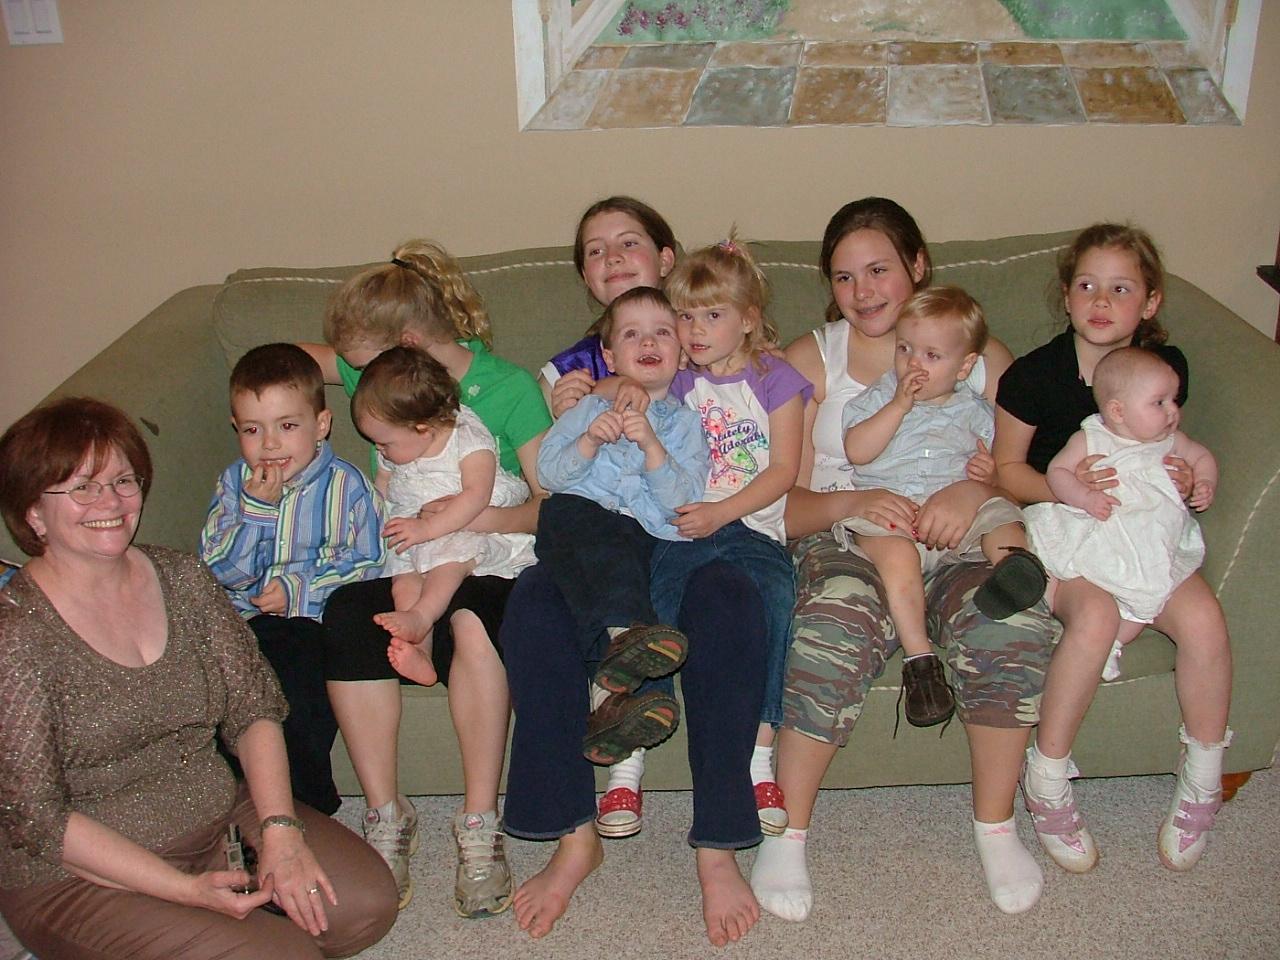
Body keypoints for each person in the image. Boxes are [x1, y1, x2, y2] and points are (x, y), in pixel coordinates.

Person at [0, 397, 397, 960]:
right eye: (82, 488)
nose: (110, 502)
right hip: (79, 870)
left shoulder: (182, 577)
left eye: (122, 481)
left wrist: (280, 831)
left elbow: (253, 708)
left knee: (364, 907)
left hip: (215, 814)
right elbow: (39, 819)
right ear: (34, 513)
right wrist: (183, 891)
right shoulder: (16, 633)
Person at [754, 197, 1059, 921]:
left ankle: (996, 827)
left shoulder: (973, 352)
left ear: (918, 266)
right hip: (848, 532)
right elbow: (775, 504)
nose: (862, 292)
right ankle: (787, 833)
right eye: (843, 276)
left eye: (879, 269)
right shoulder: (807, 361)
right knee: (833, 622)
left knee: (1012, 621)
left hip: (956, 535)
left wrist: (974, 487)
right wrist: (853, 503)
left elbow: (1023, 468)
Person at [301, 239, 550, 915]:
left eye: (361, 367)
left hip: (488, 553)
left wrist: (470, 520)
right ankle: (386, 813)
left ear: (408, 344)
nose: (354, 379)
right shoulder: (379, 374)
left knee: (469, 617)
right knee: (347, 612)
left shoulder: (507, 390)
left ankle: (479, 822)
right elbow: (301, 359)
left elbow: (549, 506)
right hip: (411, 552)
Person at [993, 223, 1233, 874]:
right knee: (1096, 616)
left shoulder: (1164, 369)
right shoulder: (1033, 376)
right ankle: (1047, 778)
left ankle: (1203, 777)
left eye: (1121, 289)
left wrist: (1186, 476)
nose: (1101, 300)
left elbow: (1170, 445)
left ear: (1149, 303)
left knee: (1205, 619)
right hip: (1068, 528)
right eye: (1086, 285)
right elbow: (1006, 471)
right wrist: (1070, 492)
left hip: (1145, 531)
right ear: (1067, 295)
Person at [838, 286, 1047, 727]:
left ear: (965, 366)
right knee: (896, 554)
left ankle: (1015, 568)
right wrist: (898, 406)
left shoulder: (977, 411)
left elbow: (1001, 474)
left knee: (999, 513)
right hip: (892, 515)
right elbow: (857, 450)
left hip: (955, 522)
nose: (913, 364)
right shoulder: (879, 397)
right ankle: (920, 661)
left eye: (932, 355)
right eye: (905, 349)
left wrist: (988, 474)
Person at [660, 233, 812, 835]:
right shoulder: (679, 382)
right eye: (685, 316)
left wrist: (721, 513)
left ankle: (760, 752)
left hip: (751, 527)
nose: (695, 330)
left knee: (775, 599)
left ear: (748, 319)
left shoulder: (777, 379)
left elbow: (782, 471)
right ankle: (633, 740)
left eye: (712, 316)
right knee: (660, 600)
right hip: (684, 528)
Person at [540, 196, 679, 839]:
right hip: (592, 515)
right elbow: (548, 474)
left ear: (666, 258)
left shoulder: (696, 326)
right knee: (574, 579)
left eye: (629, 242)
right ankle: (613, 756)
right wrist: (577, 408)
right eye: (596, 251)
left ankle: (624, 748)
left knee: (646, 571)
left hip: (666, 514)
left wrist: (611, 391)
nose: (613, 258)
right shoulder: (566, 370)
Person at [201, 343, 384, 815]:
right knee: (223, 688)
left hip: (314, 624)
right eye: (252, 429)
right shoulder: (233, 485)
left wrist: (298, 590)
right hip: (242, 626)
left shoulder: (347, 486)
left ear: (321, 424)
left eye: (287, 426)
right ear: (235, 429)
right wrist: (257, 512)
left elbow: (370, 565)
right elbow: (218, 569)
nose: (270, 444)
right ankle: (238, 804)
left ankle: (307, 804)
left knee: (297, 685)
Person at [535, 286, 708, 771]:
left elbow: (681, 502)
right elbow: (548, 474)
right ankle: (628, 635)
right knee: (592, 535)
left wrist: (653, 448)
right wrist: (588, 441)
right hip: (574, 517)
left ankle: (608, 707)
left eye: (662, 333)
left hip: (638, 533)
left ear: (681, 354)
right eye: (632, 334)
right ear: (610, 357)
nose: (648, 342)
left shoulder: (685, 425)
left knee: (629, 560)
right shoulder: (589, 409)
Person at [1025, 347, 1217, 682]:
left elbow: (1202, 457)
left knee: (1148, 595)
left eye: (1173, 400)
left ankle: (1113, 642)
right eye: (1159, 402)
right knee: (1060, 560)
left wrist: (1204, 482)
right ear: (1118, 411)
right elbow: (1058, 472)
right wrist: (1085, 497)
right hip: (1103, 526)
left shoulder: (1171, 441)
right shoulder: (1091, 438)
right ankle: (1049, 615)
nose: (1173, 410)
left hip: (1150, 539)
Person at [351, 345, 537, 684]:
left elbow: (477, 495)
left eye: (385, 444)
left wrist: (427, 530)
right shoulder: (394, 439)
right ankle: (420, 648)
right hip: (415, 522)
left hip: (463, 519)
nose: (379, 450)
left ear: (423, 428)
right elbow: (383, 487)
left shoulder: (467, 435)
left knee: (446, 561)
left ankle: (423, 616)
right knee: (404, 577)